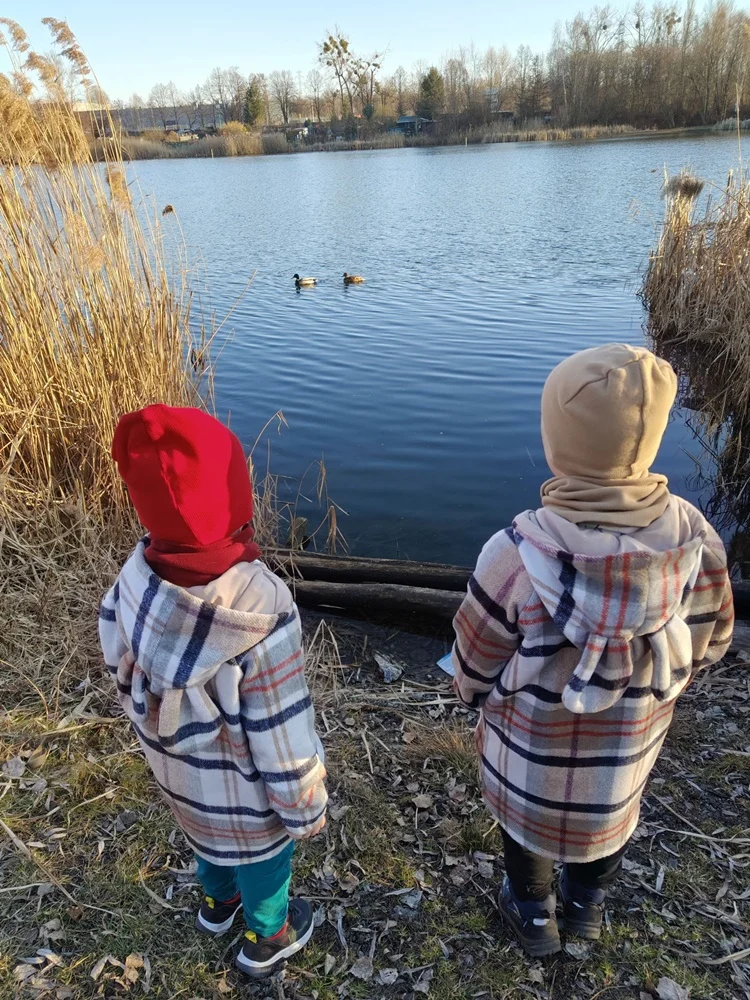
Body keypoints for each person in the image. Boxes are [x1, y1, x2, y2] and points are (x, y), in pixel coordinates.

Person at [451, 344, 734, 957]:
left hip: (529, 748)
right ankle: (585, 907)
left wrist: (471, 693)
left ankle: (533, 914)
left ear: (559, 442)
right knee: (609, 817)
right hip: (629, 742)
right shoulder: (695, 540)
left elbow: (474, 658)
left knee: (526, 823)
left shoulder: (516, 554)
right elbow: (713, 641)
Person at [99, 404, 327, 977]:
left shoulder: (133, 580)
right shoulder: (261, 604)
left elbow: (116, 659)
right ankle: (267, 937)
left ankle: (216, 905)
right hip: (247, 790)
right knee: (264, 857)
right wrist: (304, 804)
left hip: (179, 775)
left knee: (207, 837)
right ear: (233, 498)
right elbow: (280, 726)